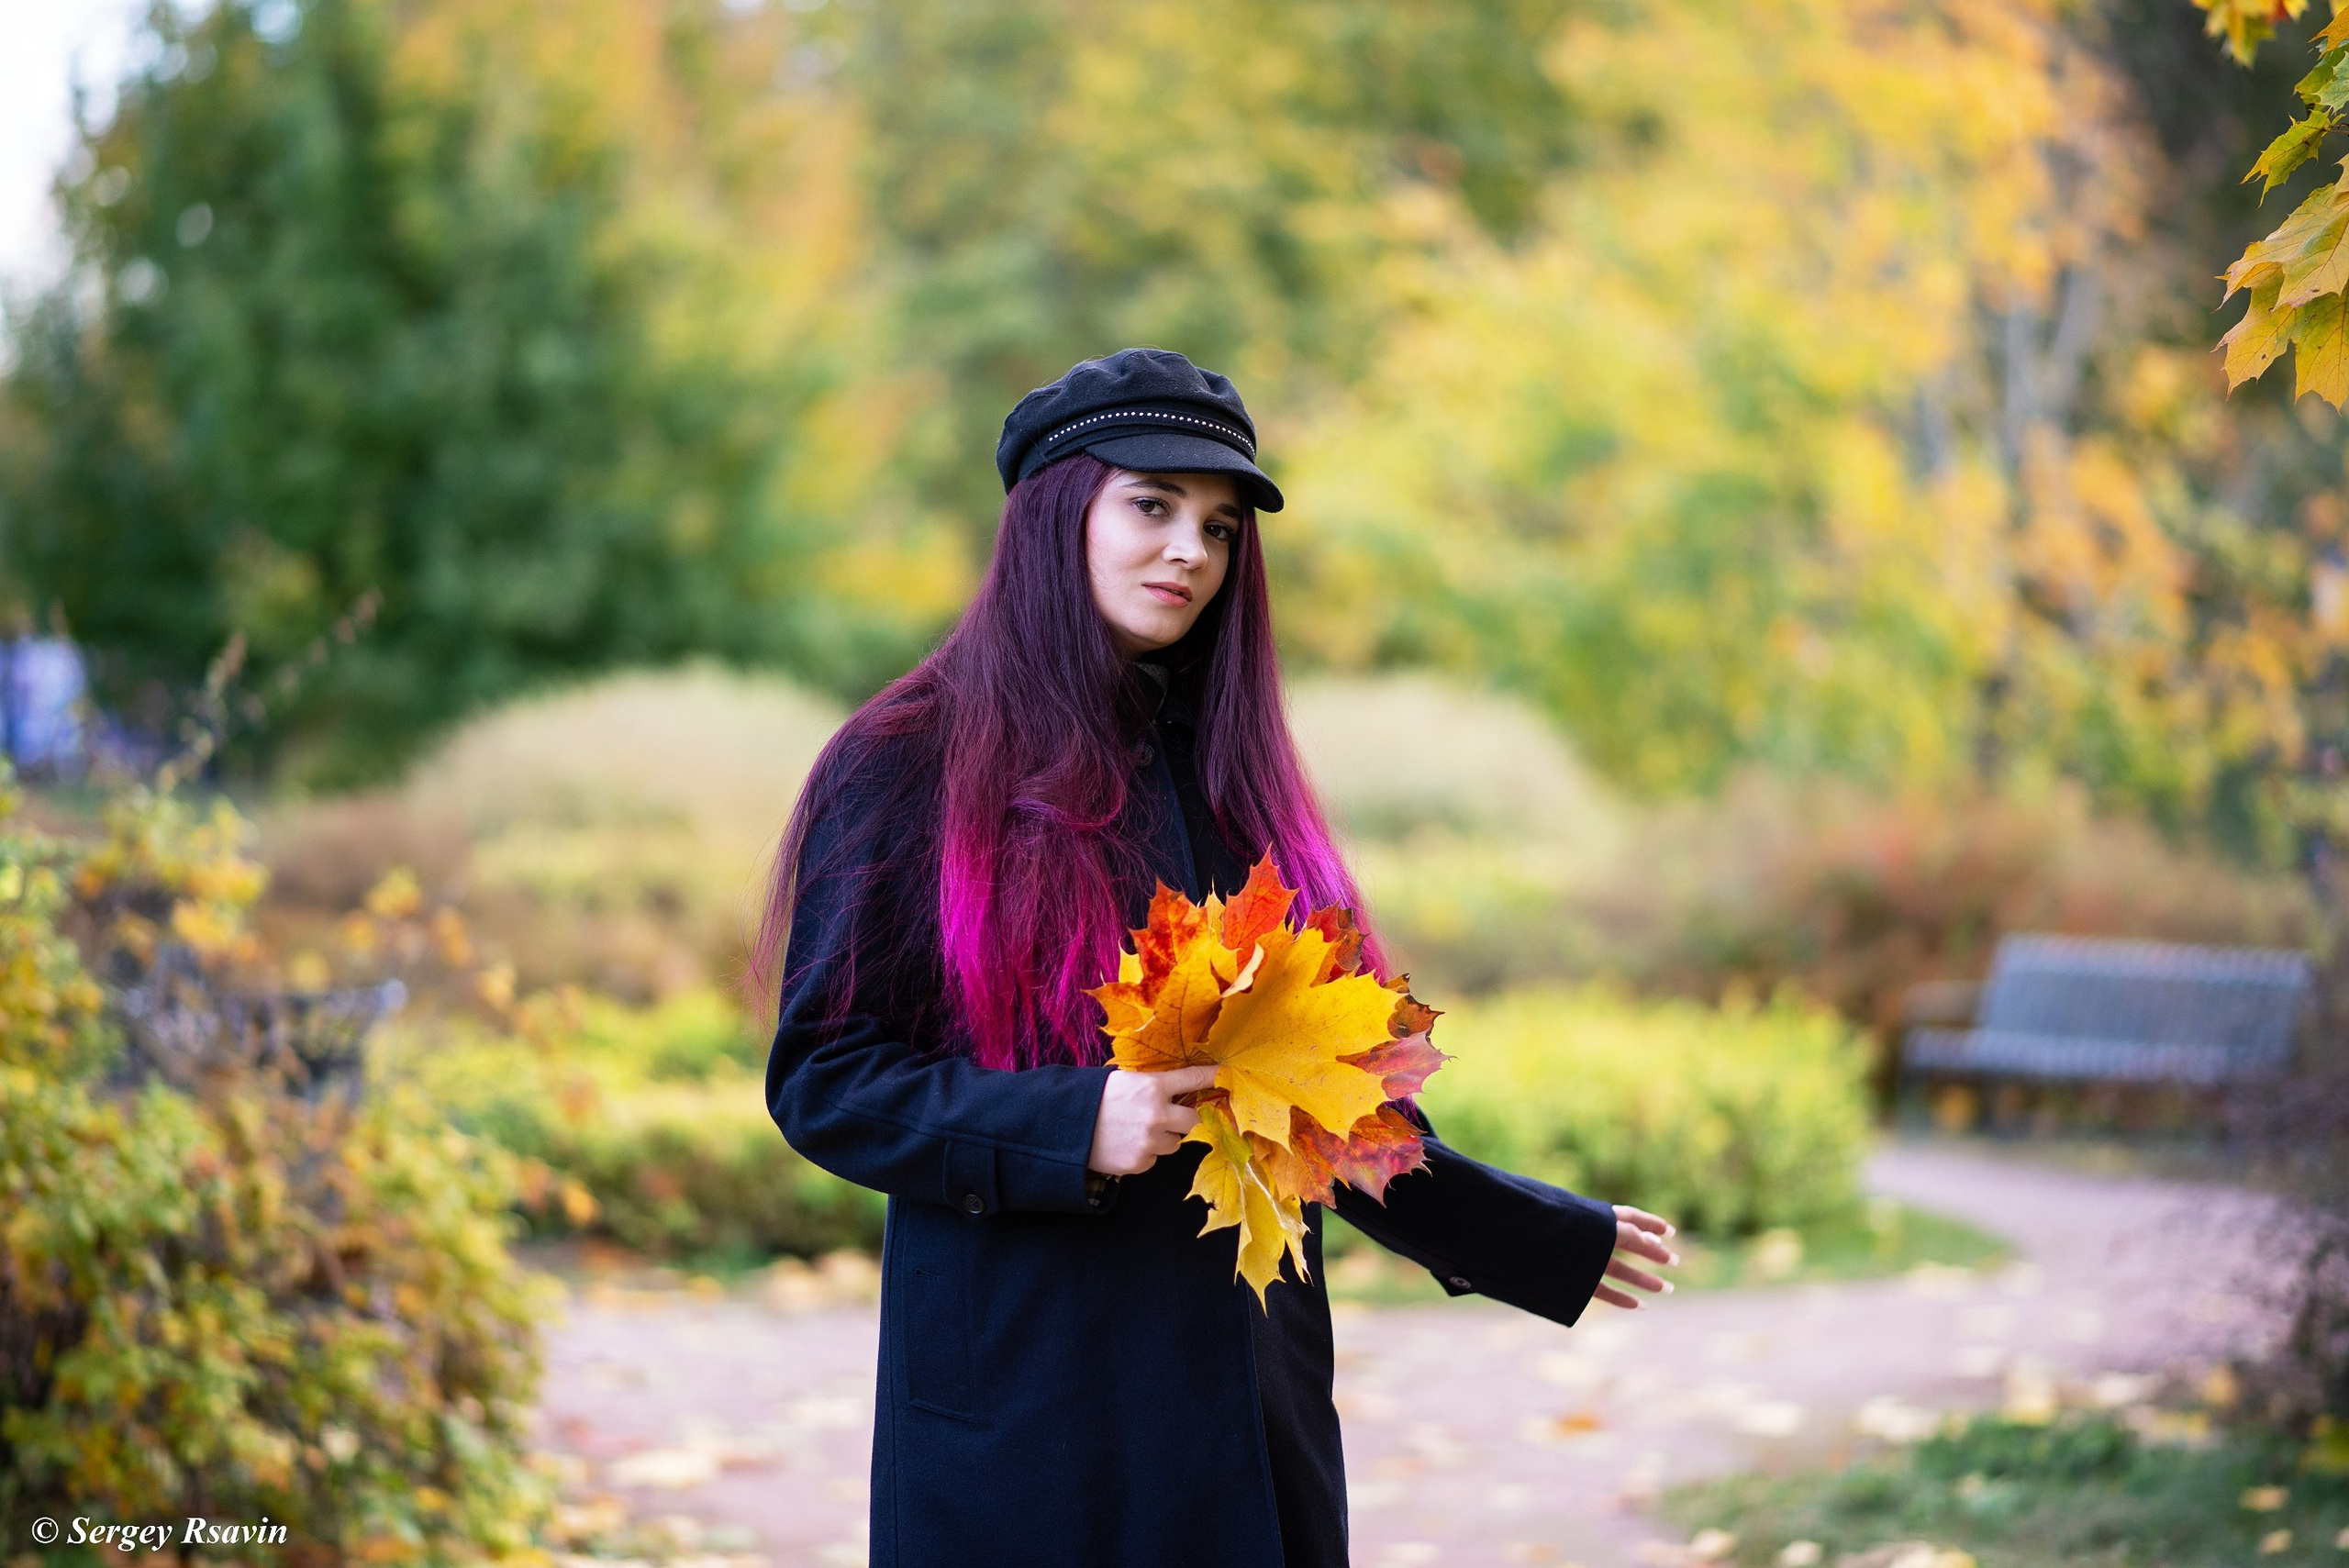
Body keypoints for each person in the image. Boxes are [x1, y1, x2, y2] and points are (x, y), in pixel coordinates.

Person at [757, 348, 1676, 1568]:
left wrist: (1527, 1234)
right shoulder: (902, 761)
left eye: (1220, 525)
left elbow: (1323, 1100)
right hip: (1025, 1408)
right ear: (1054, 513)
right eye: (1151, 505)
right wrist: (1072, 1120)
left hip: (1245, 1404)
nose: (1189, 549)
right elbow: (826, 1078)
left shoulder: (1236, 779)